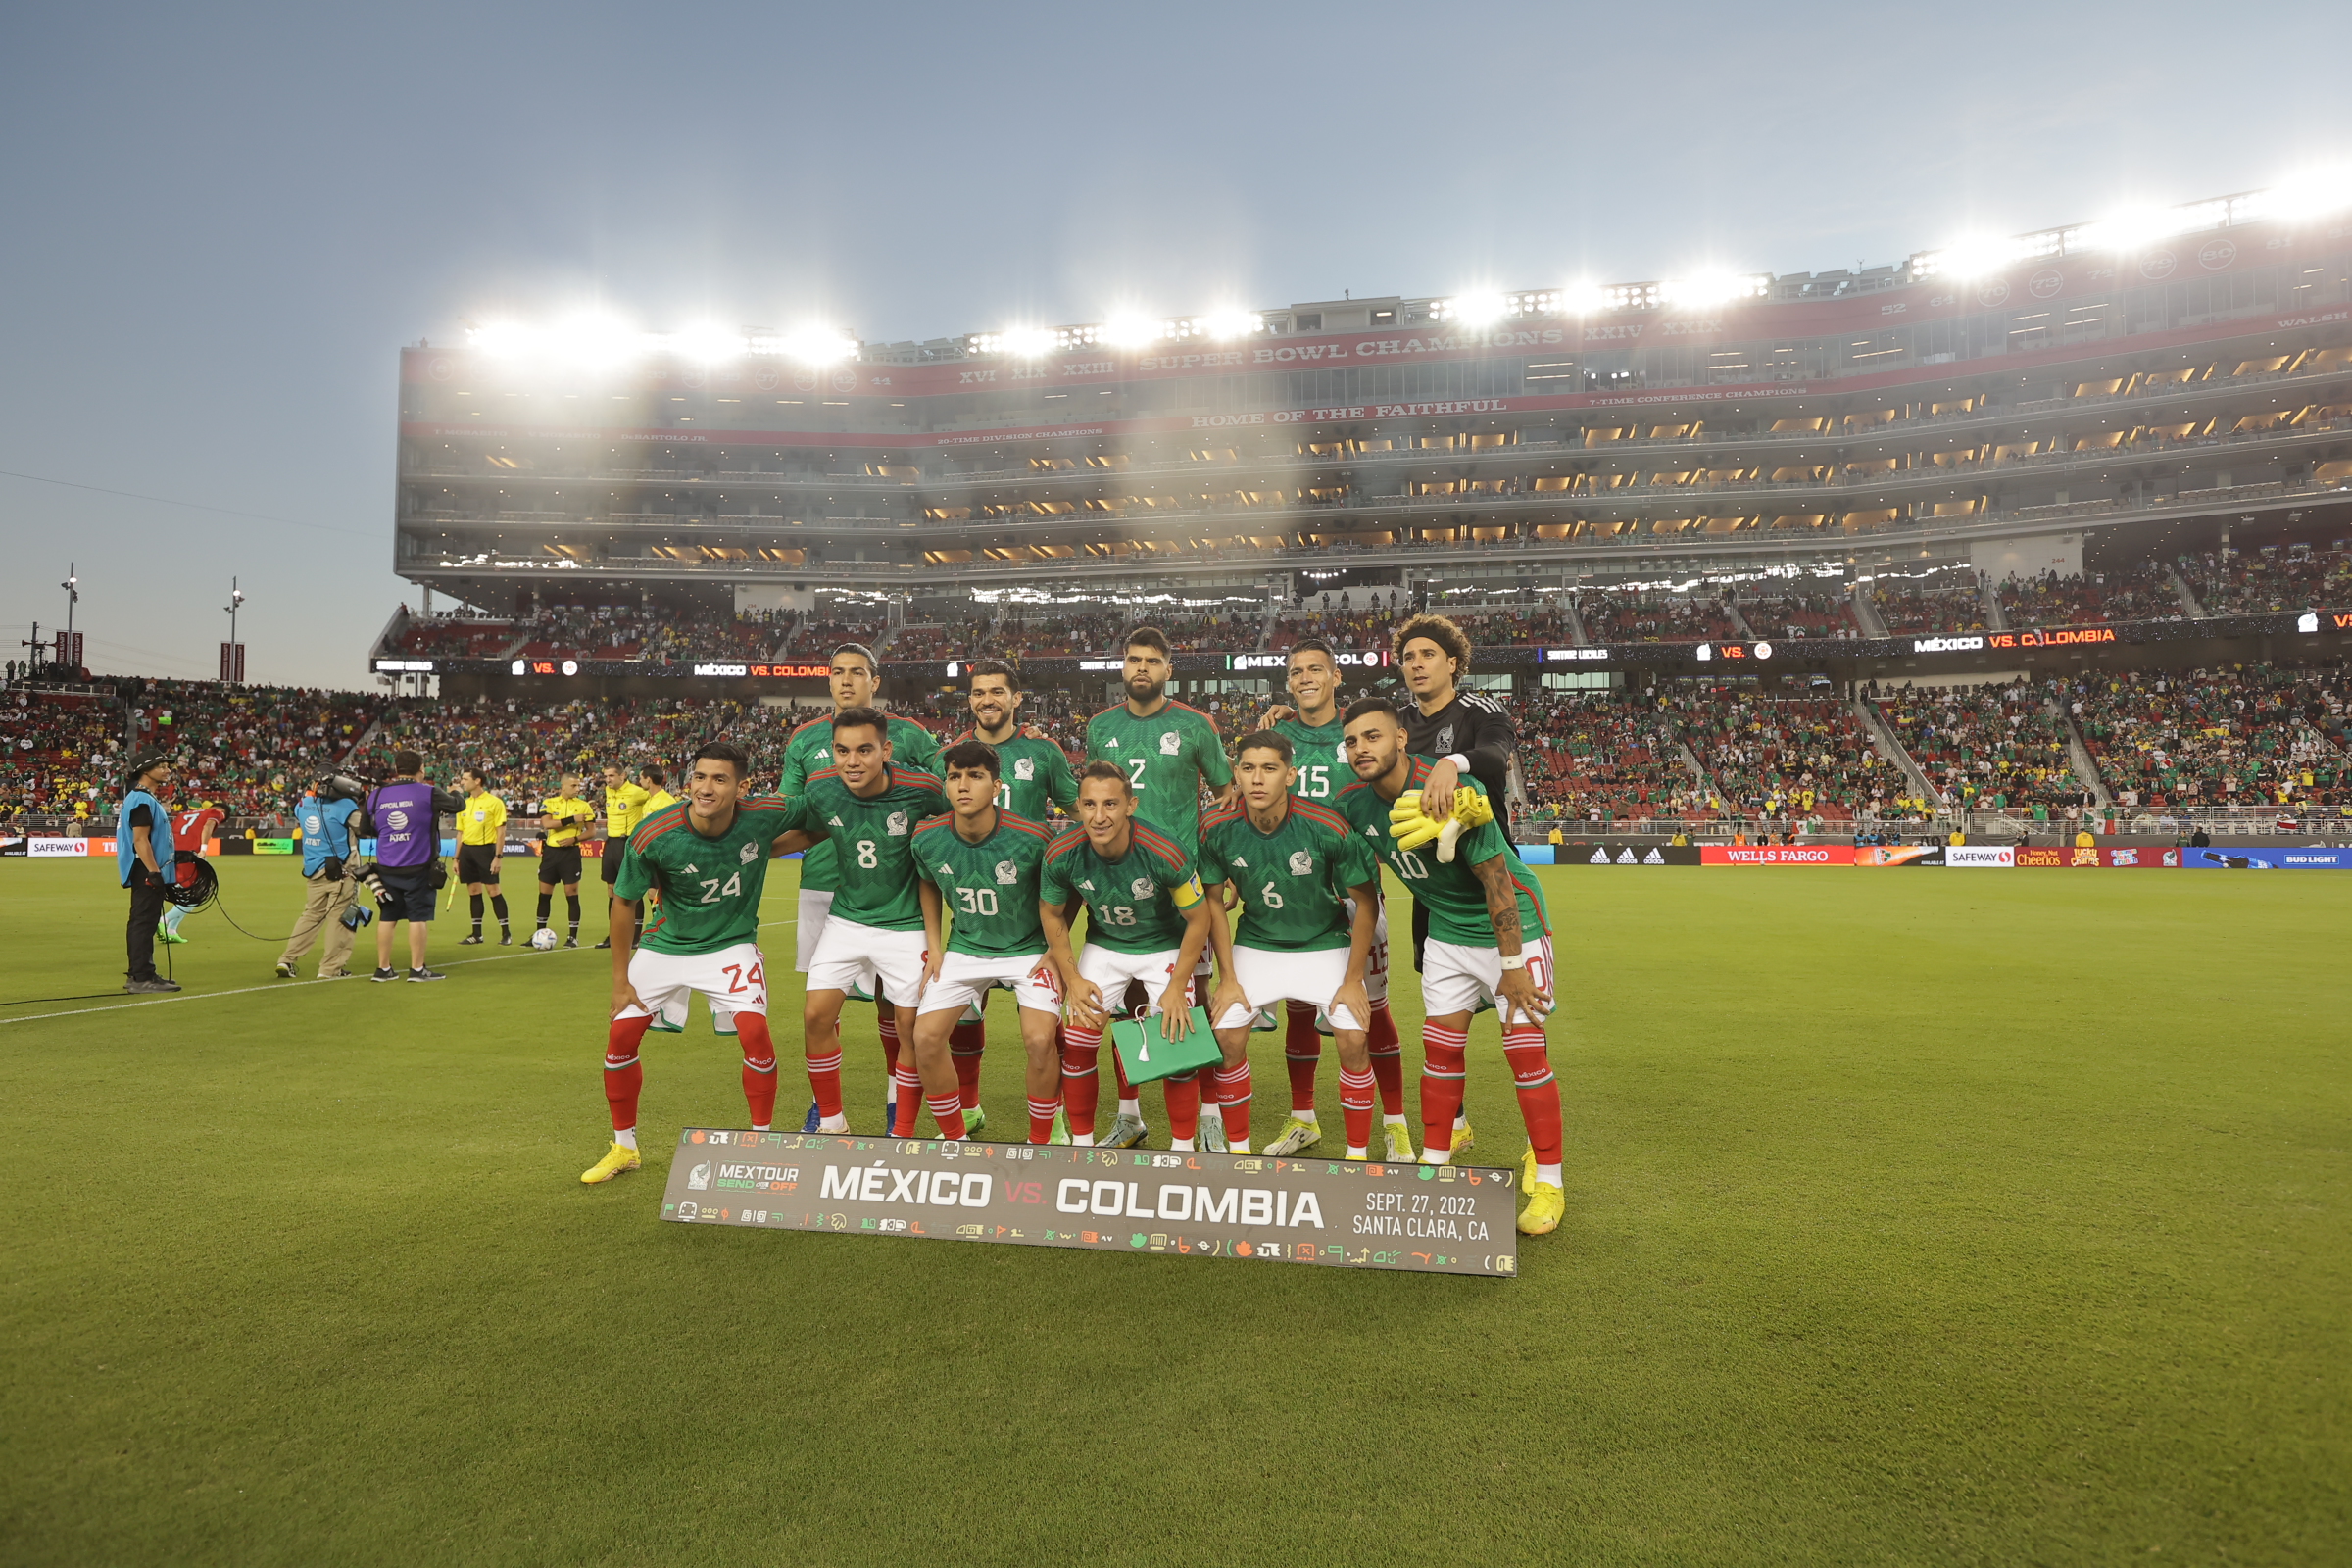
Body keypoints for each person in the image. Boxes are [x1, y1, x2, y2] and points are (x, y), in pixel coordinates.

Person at [1338, 696, 1565, 1237]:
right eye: (1351, 741)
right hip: (1445, 931)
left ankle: (1550, 1180)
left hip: (1514, 926)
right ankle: (1435, 1168)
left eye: (1373, 737)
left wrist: (1512, 965)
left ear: (1399, 739)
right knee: (1440, 1050)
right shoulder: (1354, 804)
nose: (1361, 748)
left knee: (1525, 1051)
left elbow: (1497, 881)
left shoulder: (1454, 793)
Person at [580, 741, 796, 1185]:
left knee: (755, 1032)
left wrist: (764, 848)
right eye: (700, 777)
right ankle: (625, 1147)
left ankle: (762, 1143)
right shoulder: (655, 832)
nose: (706, 787)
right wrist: (620, 982)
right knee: (621, 1036)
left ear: (741, 786)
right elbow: (623, 903)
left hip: (730, 944)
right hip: (667, 944)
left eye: (720, 779)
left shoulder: (764, 813)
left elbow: (823, 815)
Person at [1256, 636, 1410, 1159]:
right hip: (1297, 897)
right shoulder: (1275, 734)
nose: (1305, 679)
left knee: (1373, 1011)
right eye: (1296, 671)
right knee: (1299, 1009)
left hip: (1355, 893)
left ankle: (1395, 1125)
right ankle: (1303, 1119)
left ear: (1336, 676)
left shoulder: (1359, 734)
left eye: (1315, 669)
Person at [1081, 625, 1235, 1147]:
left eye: (1151, 660)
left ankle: (1209, 1115)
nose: (1140, 668)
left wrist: (1221, 867)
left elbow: (1225, 795)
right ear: (1122, 667)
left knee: (1193, 1004)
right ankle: (1130, 1116)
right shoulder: (1100, 727)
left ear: (1169, 669)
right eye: (1132, 659)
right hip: (1119, 885)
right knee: (1123, 1005)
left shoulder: (1195, 725)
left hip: (1183, 884)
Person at [778, 644, 943, 1129]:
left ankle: (900, 1106)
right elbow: (794, 815)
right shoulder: (807, 747)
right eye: (837, 673)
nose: (846, 681)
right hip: (826, 890)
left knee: (898, 1014)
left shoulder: (912, 745)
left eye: (857, 673)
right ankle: (826, 1111)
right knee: (821, 1012)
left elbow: (952, 789)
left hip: (899, 898)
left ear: (875, 680)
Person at [1199, 731, 1383, 1158]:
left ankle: (1356, 1156)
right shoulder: (1215, 826)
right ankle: (1240, 1153)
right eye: (1247, 769)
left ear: (1291, 775)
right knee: (1226, 1036)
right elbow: (1212, 900)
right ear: (1236, 775)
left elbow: (1366, 902)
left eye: (1269, 768)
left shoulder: (1326, 824)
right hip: (1258, 942)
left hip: (1324, 941)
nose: (1257, 779)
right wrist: (1227, 978)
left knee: (1353, 1038)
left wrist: (1354, 980)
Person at [1038, 762, 1217, 1149]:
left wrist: (1176, 985)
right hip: (1106, 946)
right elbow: (1051, 913)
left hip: (1164, 947)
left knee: (1177, 1040)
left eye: (1110, 804)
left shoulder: (1165, 851)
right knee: (1079, 1040)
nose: (1099, 817)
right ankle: (1082, 1146)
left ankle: (1182, 1148)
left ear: (1130, 805)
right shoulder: (1061, 852)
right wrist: (1073, 979)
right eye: (1089, 804)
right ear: (1078, 806)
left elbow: (1199, 920)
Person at [937, 658, 1081, 1133]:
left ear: (1017, 699)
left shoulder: (1043, 751)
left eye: (997, 692)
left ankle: (1053, 1121)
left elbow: (1081, 816)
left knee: (1041, 1030)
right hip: (974, 916)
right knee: (961, 1020)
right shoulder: (954, 753)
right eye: (978, 693)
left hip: (1034, 916)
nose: (987, 700)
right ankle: (969, 1105)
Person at [908, 741, 1064, 1144]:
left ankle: (1042, 1141)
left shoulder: (1034, 837)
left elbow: (1066, 892)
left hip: (1028, 950)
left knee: (1039, 1039)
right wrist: (935, 947)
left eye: (975, 777)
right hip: (965, 949)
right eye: (955, 777)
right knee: (925, 1039)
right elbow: (927, 882)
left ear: (996, 786)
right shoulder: (926, 837)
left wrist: (1055, 950)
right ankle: (955, 1139)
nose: (963, 786)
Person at [365, 750, 457, 983]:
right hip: (418, 865)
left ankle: (383, 969)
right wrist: (456, 792)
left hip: (386, 866)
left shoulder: (376, 795)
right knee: (418, 918)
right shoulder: (428, 792)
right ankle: (417, 969)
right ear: (421, 769)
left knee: (388, 916)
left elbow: (366, 829)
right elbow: (458, 806)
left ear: (396, 769)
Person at [276, 773, 361, 980]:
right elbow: (367, 827)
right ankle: (330, 969)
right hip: (342, 872)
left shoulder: (304, 804)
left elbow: (304, 801)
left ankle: (287, 959)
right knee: (340, 920)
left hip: (313, 870)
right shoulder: (346, 807)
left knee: (311, 916)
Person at [117, 754, 181, 994]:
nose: (167, 770)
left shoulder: (143, 798)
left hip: (149, 868)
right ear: (146, 771)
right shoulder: (142, 801)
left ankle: (145, 973)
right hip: (146, 868)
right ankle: (141, 977)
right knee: (143, 922)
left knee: (146, 921)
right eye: (161, 766)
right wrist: (154, 873)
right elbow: (141, 840)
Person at [534, 772, 595, 947]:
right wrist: (572, 820)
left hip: (571, 854)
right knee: (544, 895)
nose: (577, 789)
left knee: (572, 895)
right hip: (551, 854)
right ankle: (539, 934)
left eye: (578, 785)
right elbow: (547, 824)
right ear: (563, 787)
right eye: (574, 786)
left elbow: (591, 832)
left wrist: (574, 839)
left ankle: (573, 937)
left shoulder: (584, 806)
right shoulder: (549, 803)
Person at [596, 761, 652, 949]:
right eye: (605, 776)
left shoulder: (637, 792)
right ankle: (614, 935)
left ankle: (636, 937)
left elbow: (655, 798)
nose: (608, 780)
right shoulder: (609, 791)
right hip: (611, 843)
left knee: (633, 890)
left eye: (611, 776)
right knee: (611, 889)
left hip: (628, 843)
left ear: (623, 776)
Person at [454, 768, 511, 946]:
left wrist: (498, 856)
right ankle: (477, 934)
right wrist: (456, 858)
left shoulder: (494, 803)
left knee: (493, 890)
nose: (462, 782)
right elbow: (460, 833)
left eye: (465, 779)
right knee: (473, 891)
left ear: (477, 781)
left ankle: (506, 933)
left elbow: (500, 832)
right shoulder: (464, 803)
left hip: (486, 850)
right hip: (467, 852)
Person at [157, 800, 225, 945]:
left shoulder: (183, 815)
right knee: (196, 895)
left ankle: (172, 930)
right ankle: (164, 920)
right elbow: (208, 825)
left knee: (185, 893)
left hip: (173, 854)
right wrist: (204, 849)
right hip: (189, 855)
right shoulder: (216, 812)